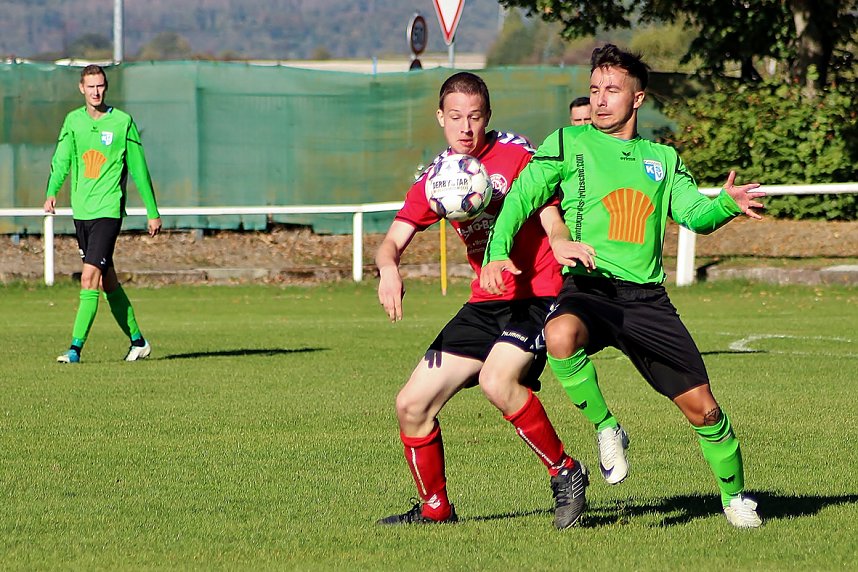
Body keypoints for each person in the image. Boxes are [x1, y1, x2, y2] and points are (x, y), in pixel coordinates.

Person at [482, 44, 766, 528]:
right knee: (560, 335)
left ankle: (735, 498)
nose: (600, 99)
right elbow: (522, 196)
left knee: (705, 411)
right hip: (589, 289)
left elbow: (695, 215)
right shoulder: (570, 142)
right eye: (594, 89)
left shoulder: (663, 158)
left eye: (612, 89)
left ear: (637, 98)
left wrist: (725, 203)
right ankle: (608, 427)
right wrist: (498, 251)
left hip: (647, 300)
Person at [375, 72, 588, 530]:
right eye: (455, 117)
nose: (465, 128)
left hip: (539, 294)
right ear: (440, 118)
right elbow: (392, 240)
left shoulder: (515, 154)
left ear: (487, 117)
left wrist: (560, 238)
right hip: (485, 302)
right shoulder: (440, 178)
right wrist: (388, 267)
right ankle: (436, 509)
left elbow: (549, 210)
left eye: (474, 117)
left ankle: (566, 472)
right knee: (411, 404)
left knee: (497, 380)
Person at [44, 64, 162, 364]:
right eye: (91, 86)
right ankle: (138, 341)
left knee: (89, 278)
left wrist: (152, 211)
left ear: (105, 87)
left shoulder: (122, 122)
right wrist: (52, 191)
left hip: (109, 211)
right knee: (108, 280)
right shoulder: (73, 121)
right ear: (81, 88)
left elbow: (138, 168)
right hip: (81, 212)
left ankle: (74, 349)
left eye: (101, 86)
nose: (96, 92)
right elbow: (61, 161)